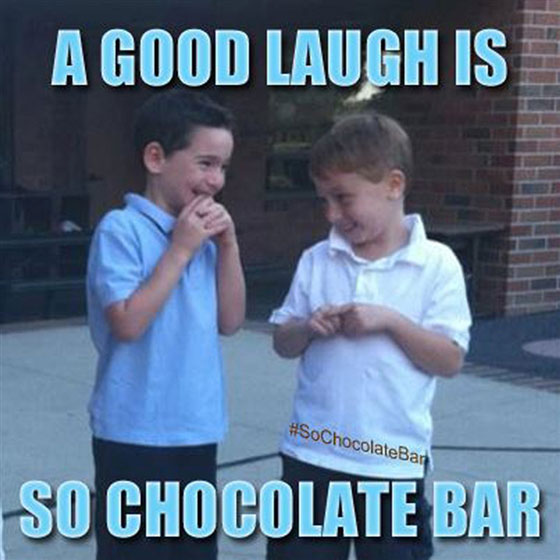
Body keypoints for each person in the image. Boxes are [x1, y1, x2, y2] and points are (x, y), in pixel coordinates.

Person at [268, 112, 471, 560]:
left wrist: (391, 322)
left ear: (394, 185)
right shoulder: (318, 259)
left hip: (391, 463)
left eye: (343, 198)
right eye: (324, 201)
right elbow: (282, 341)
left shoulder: (436, 264)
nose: (332, 214)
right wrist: (307, 328)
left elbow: (450, 360)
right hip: (312, 455)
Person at [86, 89, 245, 560]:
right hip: (133, 431)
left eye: (223, 167)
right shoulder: (121, 229)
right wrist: (179, 250)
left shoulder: (205, 238)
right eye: (205, 163)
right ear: (155, 158)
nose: (216, 180)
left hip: (195, 427)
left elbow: (231, 320)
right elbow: (127, 323)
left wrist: (229, 247)